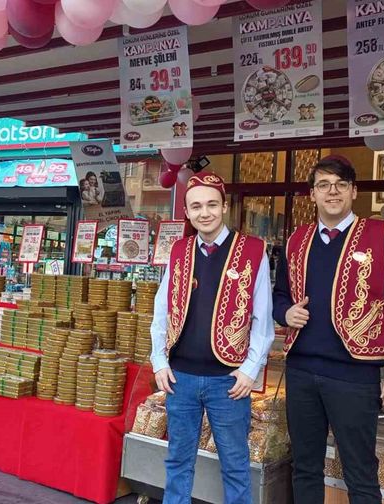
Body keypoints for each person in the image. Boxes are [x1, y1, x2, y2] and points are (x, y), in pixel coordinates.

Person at [273, 156, 384, 504]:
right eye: (323, 185)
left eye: (340, 184)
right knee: (305, 468)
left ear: (354, 192)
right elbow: (278, 295)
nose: (332, 192)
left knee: (361, 472)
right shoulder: (296, 240)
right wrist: (285, 312)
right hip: (302, 372)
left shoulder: (379, 236)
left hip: (354, 376)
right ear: (312, 194)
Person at [150, 172, 275, 504]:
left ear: (224, 206)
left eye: (211, 204)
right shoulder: (179, 250)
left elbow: (262, 317)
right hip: (181, 378)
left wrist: (250, 369)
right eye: (196, 207)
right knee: (178, 461)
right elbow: (161, 310)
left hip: (227, 381)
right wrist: (159, 361)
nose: (204, 213)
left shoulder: (252, 250)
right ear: (188, 213)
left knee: (235, 465)